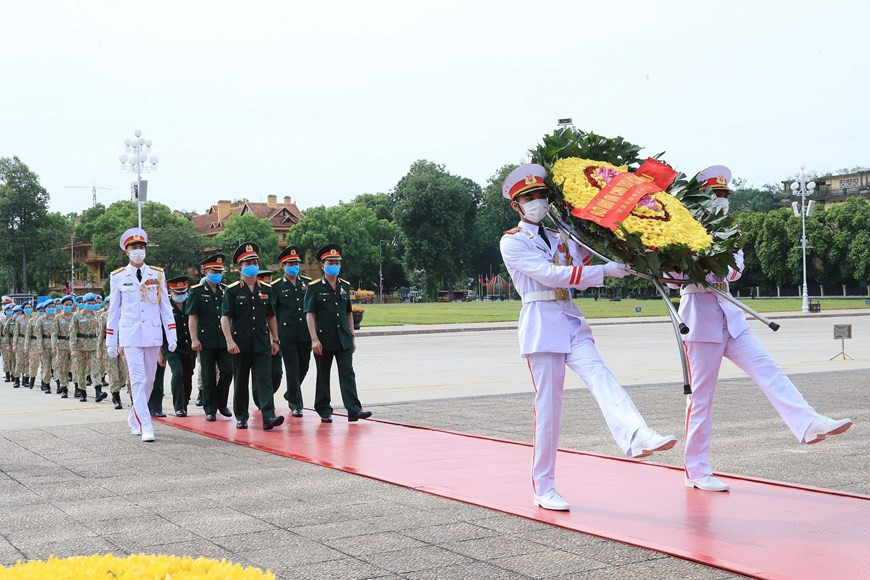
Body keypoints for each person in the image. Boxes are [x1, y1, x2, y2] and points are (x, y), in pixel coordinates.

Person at [499, 163, 677, 511]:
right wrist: (603, 271)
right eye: (529, 197)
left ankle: (637, 434)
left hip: (570, 320)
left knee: (601, 376)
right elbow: (551, 275)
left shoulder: (563, 236)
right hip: (541, 324)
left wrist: (623, 253)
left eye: (541, 195)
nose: (537, 201)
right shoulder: (512, 242)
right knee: (549, 411)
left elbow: (586, 256)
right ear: (516, 205)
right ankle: (544, 487)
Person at [674, 166, 853, 492]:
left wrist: (716, 264)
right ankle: (696, 471)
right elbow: (672, 274)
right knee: (701, 401)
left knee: (769, 370)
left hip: (732, 317)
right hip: (700, 322)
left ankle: (808, 421)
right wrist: (698, 266)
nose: (722, 201)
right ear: (701, 197)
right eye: (717, 195)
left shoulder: (728, 230)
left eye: (726, 195)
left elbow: (737, 269)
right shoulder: (680, 231)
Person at [106, 227, 177, 443]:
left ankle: (134, 416)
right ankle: (147, 425)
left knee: (149, 381)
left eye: (141, 247)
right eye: (134, 248)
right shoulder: (118, 277)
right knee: (137, 380)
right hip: (130, 336)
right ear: (126, 251)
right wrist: (112, 340)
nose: (138, 251)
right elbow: (114, 310)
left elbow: (165, 306)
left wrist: (171, 335)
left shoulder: (157, 274)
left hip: (152, 334)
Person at [304, 244, 372, 423]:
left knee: (348, 372)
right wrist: (313, 339)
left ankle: (354, 410)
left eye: (337, 262)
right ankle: (324, 408)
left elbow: (348, 312)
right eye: (330, 262)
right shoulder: (315, 287)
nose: (334, 265)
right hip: (323, 339)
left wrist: (352, 336)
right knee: (323, 375)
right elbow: (309, 314)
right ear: (323, 264)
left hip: (343, 338)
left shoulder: (344, 286)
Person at [220, 241, 284, 431]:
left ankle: (268, 416)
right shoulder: (232, 290)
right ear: (240, 267)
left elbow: (271, 316)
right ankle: (241, 416)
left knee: (264, 379)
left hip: (262, 342)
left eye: (255, 262)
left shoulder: (266, 289)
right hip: (240, 343)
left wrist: (275, 339)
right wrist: (229, 340)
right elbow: (225, 318)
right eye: (248, 264)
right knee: (241, 381)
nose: (252, 266)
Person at [186, 254, 233, 421]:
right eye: (215, 270)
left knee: (228, 371)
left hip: (223, 339)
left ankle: (222, 403)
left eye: (220, 271)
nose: (218, 274)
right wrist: (194, 339)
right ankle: (210, 408)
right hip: (205, 340)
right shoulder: (196, 291)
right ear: (206, 272)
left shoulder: (226, 291)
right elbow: (192, 317)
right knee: (208, 376)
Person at [272, 246, 312, 418]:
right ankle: (296, 404)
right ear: (283, 265)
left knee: (304, 367)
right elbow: (272, 313)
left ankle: (291, 392)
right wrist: (273, 336)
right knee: (292, 370)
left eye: (297, 263)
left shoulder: (307, 283)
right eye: (291, 263)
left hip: (305, 333)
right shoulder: (276, 287)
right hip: (286, 334)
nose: (294, 266)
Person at [164, 276, 196, 417]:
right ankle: (178, 406)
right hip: (172, 347)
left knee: (188, 376)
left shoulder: (191, 303)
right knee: (177, 373)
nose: (181, 295)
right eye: (177, 292)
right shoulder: (165, 306)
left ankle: (185, 403)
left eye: (183, 291)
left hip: (189, 346)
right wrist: (160, 353)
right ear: (170, 291)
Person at [253, 270, 284, 411]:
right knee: (260, 374)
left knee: (277, 372)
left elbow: (274, 317)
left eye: (269, 280)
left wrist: (275, 339)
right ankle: (262, 401)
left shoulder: (274, 294)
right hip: (259, 339)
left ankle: (265, 396)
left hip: (275, 340)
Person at [69, 293, 107, 403]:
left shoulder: (98, 316)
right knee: (81, 370)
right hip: (81, 347)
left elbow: (101, 332)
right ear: (84, 304)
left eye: (93, 303)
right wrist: (73, 349)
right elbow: (72, 333)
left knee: (96, 369)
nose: (91, 305)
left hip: (94, 345)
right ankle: (82, 392)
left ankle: (98, 392)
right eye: (89, 303)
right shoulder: (76, 316)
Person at [99, 296, 127, 409]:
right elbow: (100, 335)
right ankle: (116, 397)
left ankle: (117, 387)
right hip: (109, 347)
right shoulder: (104, 316)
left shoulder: (125, 315)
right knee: (113, 373)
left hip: (123, 346)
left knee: (123, 374)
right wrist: (99, 351)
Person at [52, 295, 75, 398]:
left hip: (74, 345)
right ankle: (64, 388)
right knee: (62, 368)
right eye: (66, 305)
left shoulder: (75, 316)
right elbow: (54, 333)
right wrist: (53, 346)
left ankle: (78, 388)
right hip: (61, 345)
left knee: (75, 367)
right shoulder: (58, 318)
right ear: (62, 306)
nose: (68, 306)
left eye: (70, 305)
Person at [15, 301, 33, 389]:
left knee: (28, 361)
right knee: (19, 361)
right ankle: (17, 379)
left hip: (30, 342)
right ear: (23, 309)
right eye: (26, 308)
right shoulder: (19, 319)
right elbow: (16, 333)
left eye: (29, 307)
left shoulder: (34, 319)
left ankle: (26, 379)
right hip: (21, 341)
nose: (28, 309)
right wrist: (14, 344)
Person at [2, 304, 15, 383]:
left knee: (13, 359)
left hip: (13, 339)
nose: (9, 312)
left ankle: (13, 375)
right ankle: (7, 375)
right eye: (8, 311)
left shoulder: (14, 320)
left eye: (10, 310)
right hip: (4, 341)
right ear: (5, 312)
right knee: (6, 359)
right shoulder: (2, 321)